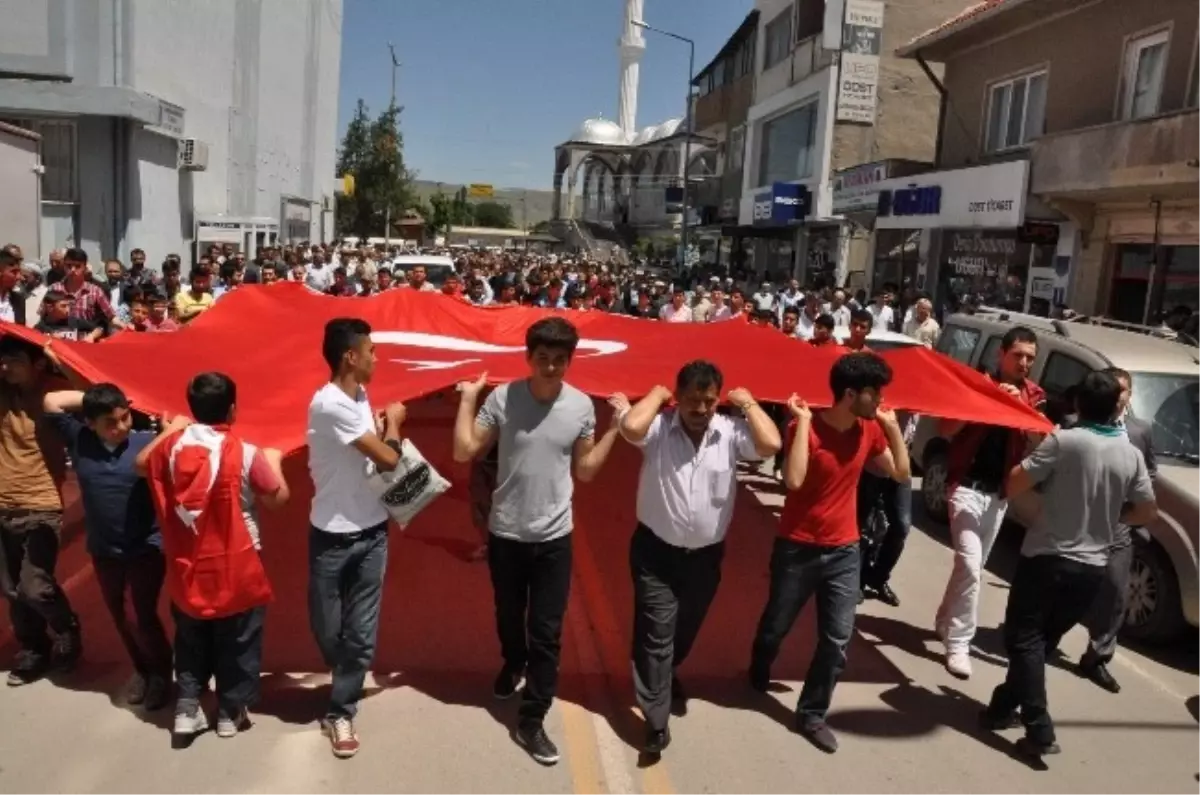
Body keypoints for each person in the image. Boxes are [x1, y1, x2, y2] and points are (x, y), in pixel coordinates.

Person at [452, 317, 624, 766]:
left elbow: (585, 470)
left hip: (554, 537)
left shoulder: (582, 406)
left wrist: (612, 431)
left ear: (570, 361)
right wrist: (468, 401)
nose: (550, 368)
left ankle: (532, 718)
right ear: (528, 359)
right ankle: (513, 662)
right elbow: (464, 450)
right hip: (506, 532)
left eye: (559, 361)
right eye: (542, 359)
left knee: (546, 632)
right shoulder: (503, 398)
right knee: (509, 616)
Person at [982, 370, 1156, 759]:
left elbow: (1013, 483)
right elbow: (1146, 510)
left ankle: (1039, 726)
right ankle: (1001, 706)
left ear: (1077, 404)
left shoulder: (1064, 441)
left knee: (1024, 639)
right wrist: (1111, 514)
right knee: (1041, 643)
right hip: (1093, 566)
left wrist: (1035, 460)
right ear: (1117, 406)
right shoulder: (1129, 452)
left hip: (1047, 557)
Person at [748, 353, 910, 754]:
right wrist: (802, 424)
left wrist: (892, 431)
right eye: (875, 395)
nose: (880, 402)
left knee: (837, 640)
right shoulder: (807, 426)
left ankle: (812, 713)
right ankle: (760, 662)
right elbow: (794, 479)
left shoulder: (870, 429)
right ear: (850, 394)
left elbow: (902, 473)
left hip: (844, 550)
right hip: (797, 547)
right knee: (776, 626)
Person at [618, 362, 781, 754]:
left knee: (684, 629)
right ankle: (656, 721)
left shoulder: (729, 432)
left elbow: (771, 445)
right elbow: (631, 428)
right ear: (679, 397)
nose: (702, 408)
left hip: (705, 558)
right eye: (693, 400)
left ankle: (666, 671)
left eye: (710, 401)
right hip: (655, 553)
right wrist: (656, 395)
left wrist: (751, 405)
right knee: (657, 632)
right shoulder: (659, 427)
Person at [136, 372, 288, 743]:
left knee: (191, 639)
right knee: (238, 639)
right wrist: (276, 460)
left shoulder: (170, 449)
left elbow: (141, 463)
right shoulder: (246, 452)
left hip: (188, 566)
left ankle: (187, 707)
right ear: (233, 410)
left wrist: (171, 429)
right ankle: (229, 712)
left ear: (191, 408)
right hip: (239, 566)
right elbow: (277, 498)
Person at [306, 318, 408, 758]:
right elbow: (387, 458)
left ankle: (340, 711)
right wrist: (396, 425)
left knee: (360, 634)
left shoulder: (360, 396)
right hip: (330, 535)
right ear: (351, 356)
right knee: (330, 631)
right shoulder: (330, 404)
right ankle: (346, 671)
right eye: (372, 351)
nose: (377, 358)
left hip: (372, 532)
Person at [43, 380, 172, 710]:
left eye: (125, 416)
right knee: (119, 615)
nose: (120, 427)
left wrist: (126, 399)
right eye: (109, 422)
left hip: (145, 548)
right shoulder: (80, 439)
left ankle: (161, 675)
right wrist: (95, 397)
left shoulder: (146, 443)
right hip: (104, 551)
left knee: (141, 615)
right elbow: (51, 399)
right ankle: (142, 670)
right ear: (90, 422)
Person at [934, 326, 1045, 679]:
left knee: (971, 568)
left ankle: (943, 619)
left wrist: (1018, 405)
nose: (1024, 363)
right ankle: (959, 643)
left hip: (997, 496)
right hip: (964, 487)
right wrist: (986, 399)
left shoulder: (1034, 394)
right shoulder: (974, 382)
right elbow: (945, 429)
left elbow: (1041, 439)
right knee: (969, 565)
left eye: (1030, 357)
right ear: (1002, 354)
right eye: (1018, 355)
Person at [0, 337, 82, 686]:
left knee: (34, 586)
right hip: (2, 503)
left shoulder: (55, 392)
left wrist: (59, 360)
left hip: (42, 502)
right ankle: (34, 649)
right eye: (1, 361)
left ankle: (67, 629)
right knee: (11, 590)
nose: (5, 367)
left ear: (35, 363)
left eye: (14, 360)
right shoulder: (2, 392)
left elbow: (97, 395)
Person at [1075, 367, 1155, 693]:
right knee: (1070, 584)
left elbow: (1150, 470)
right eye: (1114, 389)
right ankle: (1043, 639)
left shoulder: (1141, 430)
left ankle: (1097, 656)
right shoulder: (1078, 425)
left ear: (1130, 395)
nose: (1118, 396)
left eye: (1124, 390)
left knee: (1116, 592)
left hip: (1119, 524)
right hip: (1080, 522)